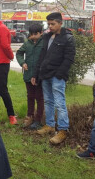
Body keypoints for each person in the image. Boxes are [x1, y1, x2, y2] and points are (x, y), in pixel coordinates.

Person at [31, 12, 75, 144]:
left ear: (60, 23)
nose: (50, 26)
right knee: (48, 101)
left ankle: (63, 130)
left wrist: (59, 74)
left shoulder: (68, 38)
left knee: (60, 103)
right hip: (45, 75)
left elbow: (69, 59)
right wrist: (36, 74)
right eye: (48, 24)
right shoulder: (46, 37)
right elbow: (42, 57)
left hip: (57, 76)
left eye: (53, 24)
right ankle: (49, 125)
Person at [16, 23, 44, 130]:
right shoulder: (27, 43)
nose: (33, 36)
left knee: (39, 97)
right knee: (30, 96)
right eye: (31, 34)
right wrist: (22, 63)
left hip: (39, 76)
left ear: (41, 33)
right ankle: (30, 116)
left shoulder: (44, 43)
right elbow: (19, 53)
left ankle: (38, 119)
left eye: (35, 34)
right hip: (28, 75)